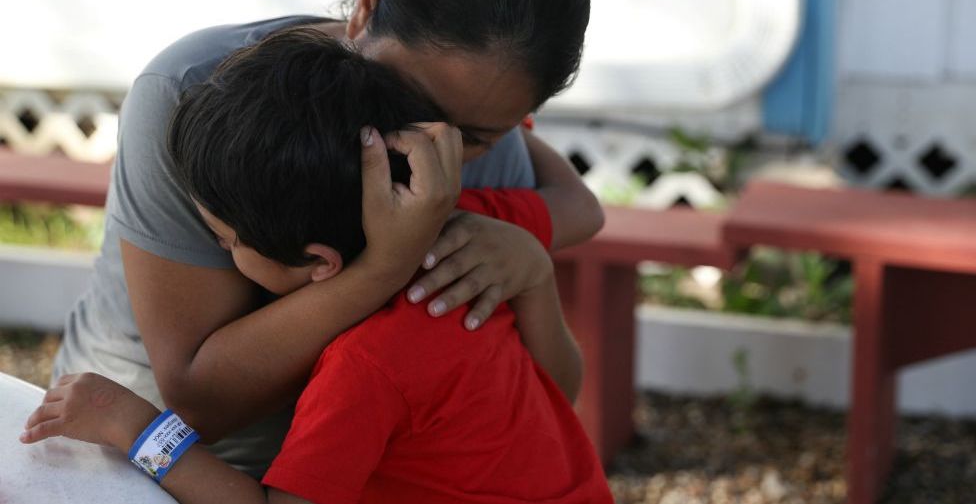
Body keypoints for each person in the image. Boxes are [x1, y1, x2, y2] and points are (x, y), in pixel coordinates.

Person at [51, 0, 599, 478]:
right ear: (365, 9)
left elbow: (546, 394)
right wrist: (384, 269)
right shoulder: (200, 99)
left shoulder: (486, 135)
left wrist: (532, 264)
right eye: (409, 95)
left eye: (475, 136)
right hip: (130, 455)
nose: (431, 143)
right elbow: (201, 403)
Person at [23, 30, 614, 504]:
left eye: (226, 243)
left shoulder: (363, 370)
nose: (220, 253)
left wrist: (140, 430)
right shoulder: (465, 223)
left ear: (319, 264)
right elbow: (579, 213)